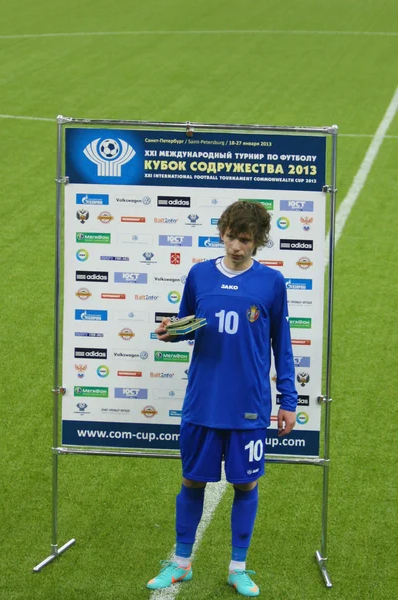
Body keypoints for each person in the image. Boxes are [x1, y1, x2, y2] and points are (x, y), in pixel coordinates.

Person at [147, 200, 298, 597]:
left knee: (245, 486)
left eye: (245, 240)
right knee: (192, 479)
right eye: (231, 237)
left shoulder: (272, 283)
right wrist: (171, 332)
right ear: (222, 234)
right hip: (203, 401)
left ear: (258, 242)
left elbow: (282, 344)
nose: (236, 246)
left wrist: (289, 399)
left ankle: (238, 567)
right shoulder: (198, 275)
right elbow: (188, 325)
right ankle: (180, 564)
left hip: (249, 403)